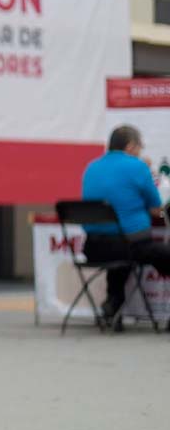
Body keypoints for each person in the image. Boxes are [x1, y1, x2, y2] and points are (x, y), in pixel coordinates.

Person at [81, 125, 170, 327]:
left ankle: (113, 306)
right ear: (130, 146)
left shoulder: (91, 167)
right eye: (140, 147)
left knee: (121, 260)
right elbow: (157, 209)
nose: (141, 151)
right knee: (151, 252)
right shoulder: (137, 166)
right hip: (130, 245)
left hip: (93, 248)